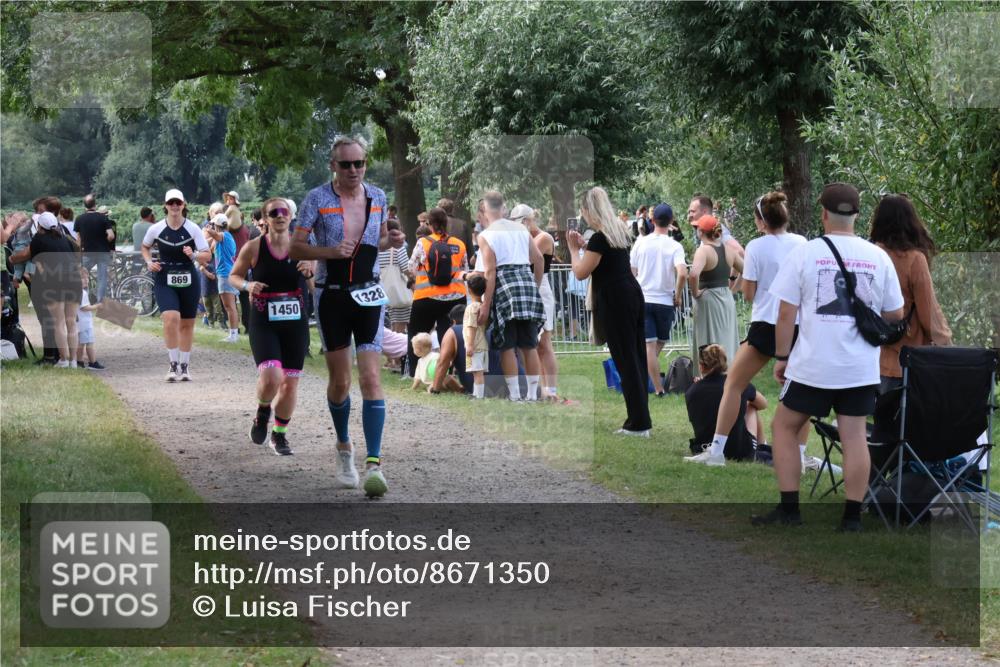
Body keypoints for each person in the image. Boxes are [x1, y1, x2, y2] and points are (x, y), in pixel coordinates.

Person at [754, 182, 904, 532]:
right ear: (856, 216)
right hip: (859, 367)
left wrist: (781, 356)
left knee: (784, 427)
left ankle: (790, 509)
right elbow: (895, 314)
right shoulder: (878, 256)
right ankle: (852, 518)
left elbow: (786, 313)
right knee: (853, 437)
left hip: (812, 365)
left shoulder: (806, 253)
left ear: (823, 214)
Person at [291, 135, 405, 497]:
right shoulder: (316, 199)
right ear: (333, 167)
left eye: (359, 163)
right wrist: (328, 251)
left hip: (370, 294)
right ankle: (343, 448)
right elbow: (294, 246)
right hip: (333, 295)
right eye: (346, 164)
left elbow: (381, 240)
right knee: (341, 382)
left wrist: (394, 242)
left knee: (371, 376)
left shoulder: (378, 196)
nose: (354, 170)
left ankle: (374, 464)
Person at [702, 192, 813, 469]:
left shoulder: (756, 246)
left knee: (734, 385)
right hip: (799, 324)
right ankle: (799, 456)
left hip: (766, 323)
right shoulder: (802, 243)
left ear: (761, 222)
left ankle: (716, 451)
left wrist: (740, 280)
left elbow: (749, 293)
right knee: (801, 391)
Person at [230, 197, 313, 456]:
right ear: (265, 219)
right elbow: (234, 276)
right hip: (264, 320)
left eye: (284, 212)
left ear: (291, 216)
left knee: (289, 383)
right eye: (273, 212)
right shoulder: (254, 247)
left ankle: (279, 435)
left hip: (295, 321)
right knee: (271, 377)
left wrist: (311, 271)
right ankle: (263, 410)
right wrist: (248, 286)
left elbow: (315, 285)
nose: (279, 216)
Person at [567, 187, 650, 436]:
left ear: (588, 210)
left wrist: (573, 250)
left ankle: (639, 424)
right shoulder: (618, 233)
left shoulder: (600, 238)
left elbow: (581, 272)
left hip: (615, 299)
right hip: (631, 293)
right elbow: (601, 259)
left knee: (625, 359)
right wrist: (585, 245)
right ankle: (640, 417)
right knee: (635, 356)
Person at [868, 194, 952, 393]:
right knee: (905, 420)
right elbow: (928, 311)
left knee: (877, 420)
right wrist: (947, 344)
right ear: (911, 221)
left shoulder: (869, 253)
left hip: (871, 354)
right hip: (904, 357)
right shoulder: (914, 259)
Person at [477, 191, 545, 401]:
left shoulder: (486, 235)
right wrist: (535, 284)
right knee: (529, 344)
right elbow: (539, 259)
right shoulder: (521, 229)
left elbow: (490, 271)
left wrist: (485, 305)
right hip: (526, 281)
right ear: (503, 207)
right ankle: (533, 395)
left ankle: (515, 396)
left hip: (504, 285)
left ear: (485, 211)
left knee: (506, 345)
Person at [141, 189, 211, 382]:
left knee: (187, 323)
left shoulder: (193, 228)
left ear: (183, 205)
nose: (174, 206)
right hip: (165, 276)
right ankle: (173, 365)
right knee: (171, 318)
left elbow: (207, 255)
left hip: (188, 275)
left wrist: (194, 255)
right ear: (165, 205)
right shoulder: (155, 229)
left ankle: (185, 366)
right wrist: (149, 262)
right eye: (171, 203)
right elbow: (145, 246)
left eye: (178, 203)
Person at [10, 212, 82, 367]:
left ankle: (63, 359)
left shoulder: (38, 240)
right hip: (74, 281)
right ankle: (74, 361)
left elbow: (39, 265)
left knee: (58, 323)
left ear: (39, 226)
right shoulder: (64, 237)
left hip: (55, 282)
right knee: (71, 323)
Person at [630, 203, 687, 396]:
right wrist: (677, 295)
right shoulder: (675, 246)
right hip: (665, 300)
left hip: (644, 298)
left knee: (650, 346)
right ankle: (658, 388)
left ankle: (646, 375)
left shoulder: (640, 243)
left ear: (652, 221)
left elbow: (632, 272)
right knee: (657, 343)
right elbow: (682, 273)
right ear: (671, 222)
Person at [406, 207, 468, 378]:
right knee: (451, 337)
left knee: (416, 333)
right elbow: (464, 270)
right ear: (446, 223)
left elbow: (411, 267)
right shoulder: (459, 244)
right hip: (455, 298)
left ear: (429, 224)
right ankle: (452, 374)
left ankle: (413, 373)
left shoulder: (423, 243)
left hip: (426, 297)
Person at [684, 344, 766, 464]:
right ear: (725, 363)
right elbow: (763, 404)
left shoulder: (691, 391)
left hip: (703, 446)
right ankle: (762, 446)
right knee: (751, 407)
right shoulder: (738, 385)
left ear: (701, 367)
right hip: (739, 450)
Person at [689, 215, 742, 367]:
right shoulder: (729, 250)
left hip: (709, 298)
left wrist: (695, 293)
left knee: (708, 340)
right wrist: (733, 288)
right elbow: (747, 270)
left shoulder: (703, 251)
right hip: (726, 298)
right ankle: (728, 373)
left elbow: (693, 274)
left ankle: (711, 378)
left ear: (701, 232)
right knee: (727, 339)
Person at [522, 205, 559, 399]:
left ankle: (551, 389)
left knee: (544, 343)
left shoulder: (543, 237)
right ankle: (540, 390)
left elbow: (528, 257)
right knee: (533, 344)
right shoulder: (524, 237)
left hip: (541, 290)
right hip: (527, 289)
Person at [205, 214, 240, 342]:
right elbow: (210, 246)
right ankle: (233, 334)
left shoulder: (224, 236)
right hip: (226, 273)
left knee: (229, 306)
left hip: (225, 274)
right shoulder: (223, 238)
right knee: (230, 306)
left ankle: (233, 335)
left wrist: (207, 228)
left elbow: (213, 235)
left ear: (217, 225)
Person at [75, 194, 115, 302]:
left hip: (87, 252)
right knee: (102, 278)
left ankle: (85, 300)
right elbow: (111, 235)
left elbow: (78, 240)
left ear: (85, 206)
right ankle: (100, 301)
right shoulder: (103, 218)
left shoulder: (79, 219)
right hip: (103, 252)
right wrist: (104, 242)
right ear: (95, 205)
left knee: (82, 275)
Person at [435, 303, 473, 394]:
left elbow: (443, 363)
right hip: (502, 384)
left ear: (454, 321)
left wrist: (434, 389)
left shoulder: (453, 331)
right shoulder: (485, 327)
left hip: (476, 386)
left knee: (445, 378)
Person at [462, 274, 489, 398]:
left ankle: (479, 396)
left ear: (469, 289)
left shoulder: (472, 307)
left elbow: (471, 326)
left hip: (475, 344)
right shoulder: (483, 306)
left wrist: (470, 345)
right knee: (478, 372)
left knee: (477, 372)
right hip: (482, 343)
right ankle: (477, 394)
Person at [75, 266, 105, 370]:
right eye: (83, 278)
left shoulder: (76, 292)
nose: (86, 280)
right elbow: (84, 308)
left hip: (80, 324)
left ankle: (79, 362)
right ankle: (93, 362)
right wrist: (97, 306)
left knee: (81, 343)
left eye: (87, 277)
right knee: (89, 343)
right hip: (85, 323)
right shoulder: (82, 293)